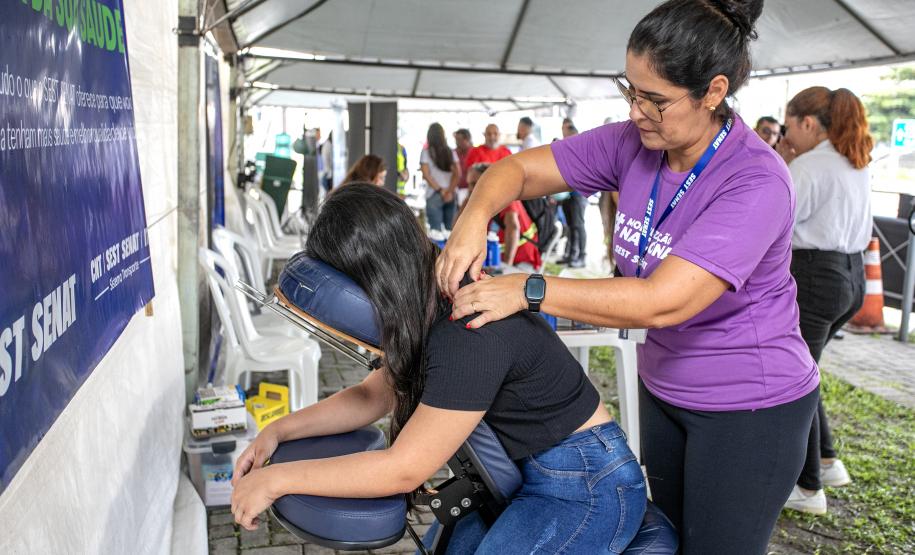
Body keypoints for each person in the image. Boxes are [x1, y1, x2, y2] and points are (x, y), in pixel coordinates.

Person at [435, 1, 819, 553]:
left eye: (655, 100)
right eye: (629, 90)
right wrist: (473, 219)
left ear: (713, 92)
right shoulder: (631, 142)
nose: (638, 112)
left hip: (750, 405)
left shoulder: (755, 180)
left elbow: (663, 302)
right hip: (664, 386)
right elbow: (515, 170)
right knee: (663, 539)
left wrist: (529, 288)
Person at [229, 183, 647, 552]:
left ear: (372, 281)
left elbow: (403, 469)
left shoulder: (466, 329)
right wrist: (275, 432)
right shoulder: (431, 299)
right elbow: (370, 395)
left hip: (584, 485)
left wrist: (277, 480)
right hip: (518, 476)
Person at [777, 86, 871, 515]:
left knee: (796, 381)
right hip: (850, 278)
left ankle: (809, 484)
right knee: (806, 373)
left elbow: (772, 219)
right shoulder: (853, 161)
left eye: (789, 126)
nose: (786, 135)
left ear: (808, 123)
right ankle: (828, 461)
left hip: (816, 277)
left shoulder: (809, 167)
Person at [421, 123, 460, 232]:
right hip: (451, 195)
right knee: (451, 232)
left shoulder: (426, 153)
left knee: (435, 233)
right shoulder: (451, 152)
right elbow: (457, 174)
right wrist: (449, 191)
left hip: (434, 194)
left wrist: (441, 190)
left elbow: (426, 175)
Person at [453, 128, 474, 207]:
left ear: (467, 139)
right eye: (456, 140)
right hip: (456, 191)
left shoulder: (475, 152)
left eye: (459, 140)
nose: (457, 142)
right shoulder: (454, 153)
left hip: (471, 191)